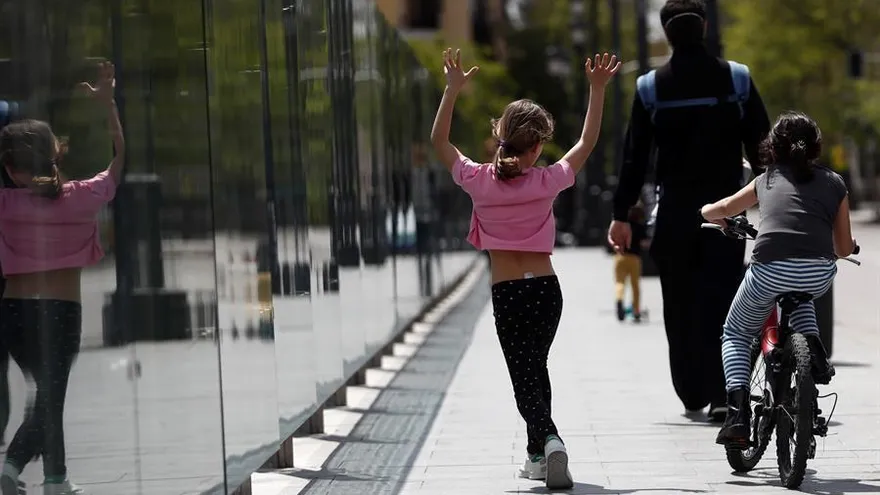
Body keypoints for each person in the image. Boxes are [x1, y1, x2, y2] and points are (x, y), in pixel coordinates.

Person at [430, 47, 620, 489]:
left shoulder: (477, 180)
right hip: (547, 292)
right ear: (537, 147)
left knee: (524, 375)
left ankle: (550, 440)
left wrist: (452, 90)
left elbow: (440, 142)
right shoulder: (547, 180)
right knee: (537, 368)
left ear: (500, 134)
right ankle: (537, 455)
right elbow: (586, 142)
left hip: (509, 293)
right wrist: (596, 90)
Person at [607, 0, 771, 422]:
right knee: (723, 301)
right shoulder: (736, 78)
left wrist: (621, 215)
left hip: (676, 214)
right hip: (727, 215)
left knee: (678, 305)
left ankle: (691, 391)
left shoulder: (650, 88)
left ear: (666, 34)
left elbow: (634, 159)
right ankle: (722, 393)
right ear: (703, 28)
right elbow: (763, 147)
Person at [0, 61, 122, 495]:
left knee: (49, 397)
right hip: (60, 311)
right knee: (51, 397)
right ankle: (11, 470)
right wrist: (109, 107)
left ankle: (56, 479)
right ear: (54, 154)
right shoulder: (79, 198)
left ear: (11, 169)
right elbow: (119, 162)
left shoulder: (6, 204)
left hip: (13, 314)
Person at [699, 111, 854, 446]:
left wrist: (706, 212)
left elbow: (724, 207)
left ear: (773, 147)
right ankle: (812, 351)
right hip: (816, 274)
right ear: (815, 147)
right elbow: (842, 248)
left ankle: (738, 414)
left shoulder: (766, 180)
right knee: (801, 293)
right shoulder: (835, 183)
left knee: (736, 332)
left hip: (769, 269)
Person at [614, 203, 648, 322]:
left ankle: (619, 299)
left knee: (620, 283)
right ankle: (636, 310)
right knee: (635, 286)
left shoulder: (621, 225)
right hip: (634, 258)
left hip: (620, 257)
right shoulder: (640, 226)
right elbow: (644, 243)